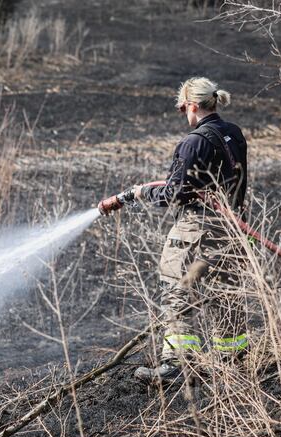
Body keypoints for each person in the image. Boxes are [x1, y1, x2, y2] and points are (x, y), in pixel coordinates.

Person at [97, 77, 249, 383]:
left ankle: (177, 365)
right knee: (225, 292)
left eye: (183, 110)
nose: (184, 115)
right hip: (232, 226)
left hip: (197, 228)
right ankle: (234, 362)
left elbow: (174, 194)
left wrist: (143, 193)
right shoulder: (233, 133)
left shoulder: (194, 142)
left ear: (192, 105)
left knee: (178, 288)